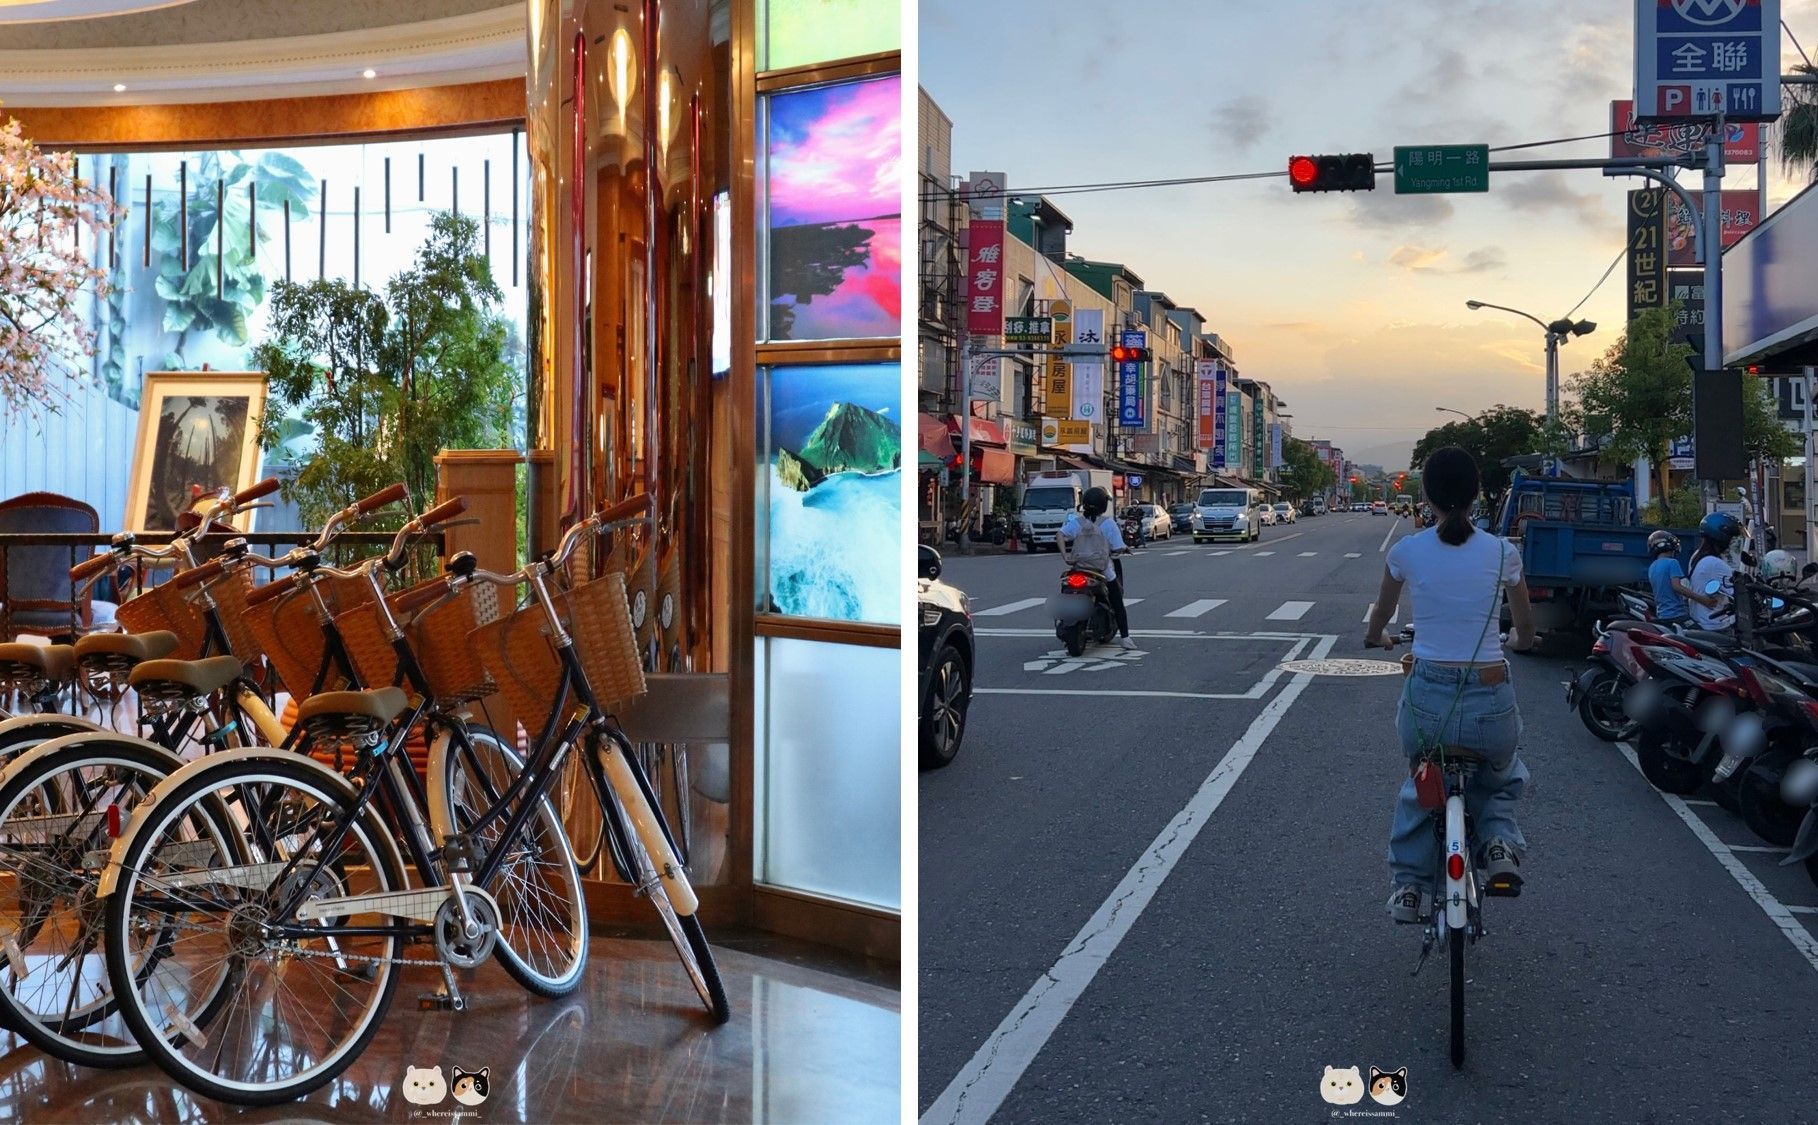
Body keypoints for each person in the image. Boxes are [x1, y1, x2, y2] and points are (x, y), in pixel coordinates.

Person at [1365, 447, 1536, 924]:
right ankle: (1499, 842)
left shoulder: (1407, 551)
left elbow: (1381, 615)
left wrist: (1375, 636)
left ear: (1426, 496)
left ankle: (1410, 888)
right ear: (1477, 493)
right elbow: (1523, 622)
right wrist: (1522, 640)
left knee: (1423, 782)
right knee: (1502, 775)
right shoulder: (1504, 551)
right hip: (1490, 697)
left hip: (1428, 702)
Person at [1059, 486, 1134, 650]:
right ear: (1103, 505)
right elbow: (1118, 546)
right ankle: (1126, 637)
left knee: (1065, 590)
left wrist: (1066, 556)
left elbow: (1060, 534)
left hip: (1078, 568)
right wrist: (1124, 549)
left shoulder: (1076, 523)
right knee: (1117, 601)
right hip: (1101, 570)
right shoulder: (1108, 524)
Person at [1683, 512, 1742, 632]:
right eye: (1730, 539)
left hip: (1700, 619)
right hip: (1716, 625)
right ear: (1721, 538)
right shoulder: (1715, 563)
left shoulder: (1697, 556)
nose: (1730, 544)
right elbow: (1739, 592)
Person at [1645, 530, 1695, 628]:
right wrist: (1700, 598)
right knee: (1703, 635)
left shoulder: (1652, 567)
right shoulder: (1672, 563)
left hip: (1662, 616)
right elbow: (1676, 587)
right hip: (1677, 615)